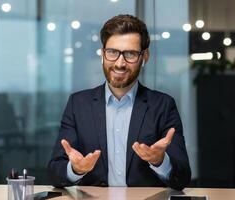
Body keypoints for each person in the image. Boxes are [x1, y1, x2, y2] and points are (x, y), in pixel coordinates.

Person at [47, 14, 191, 190]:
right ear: (103, 53)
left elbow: (183, 177)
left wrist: (160, 161)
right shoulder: (78, 104)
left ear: (144, 56)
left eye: (130, 54)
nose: (120, 63)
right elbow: (55, 172)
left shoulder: (163, 105)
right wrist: (75, 169)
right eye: (113, 52)